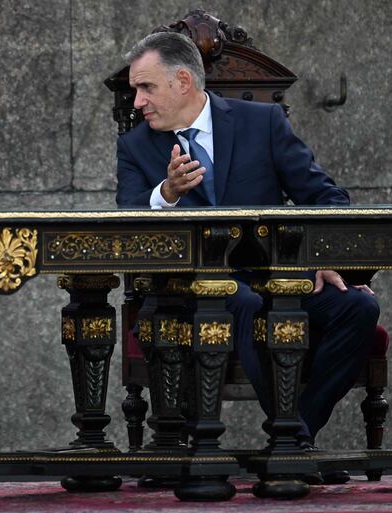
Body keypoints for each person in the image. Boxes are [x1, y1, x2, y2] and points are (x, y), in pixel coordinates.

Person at [116, 32, 379, 463]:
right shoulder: (136, 146)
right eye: (134, 91)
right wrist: (167, 192)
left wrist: (323, 260)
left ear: (183, 82)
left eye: (146, 88)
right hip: (183, 295)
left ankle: (297, 433)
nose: (138, 102)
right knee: (240, 299)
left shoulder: (264, 122)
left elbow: (328, 198)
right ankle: (290, 441)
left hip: (277, 282)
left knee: (359, 309)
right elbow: (125, 224)